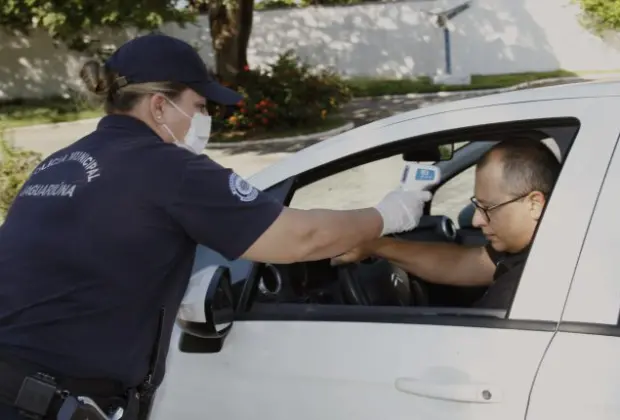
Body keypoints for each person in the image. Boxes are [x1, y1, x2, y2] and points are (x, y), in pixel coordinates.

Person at [0, 33, 431, 420]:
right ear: (158, 105)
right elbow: (302, 237)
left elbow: (88, 254)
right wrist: (390, 214)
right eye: (200, 106)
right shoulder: (169, 167)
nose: (206, 119)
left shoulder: (58, 163)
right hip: (53, 403)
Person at [332, 138, 561, 310]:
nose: (476, 219)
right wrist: (374, 246)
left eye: (487, 207)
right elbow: (464, 263)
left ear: (534, 204)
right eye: (476, 206)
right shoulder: (537, 249)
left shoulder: (522, 291)